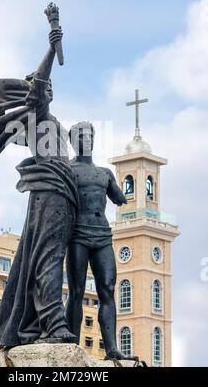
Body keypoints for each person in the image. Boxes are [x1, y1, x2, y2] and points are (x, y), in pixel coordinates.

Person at [0, 27, 78, 349]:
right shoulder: (38, 111)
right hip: (51, 189)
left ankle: (35, 323)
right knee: (48, 256)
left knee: (43, 256)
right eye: (44, 87)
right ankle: (54, 324)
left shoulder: (49, 120)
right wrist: (50, 48)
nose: (48, 90)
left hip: (59, 190)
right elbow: (39, 88)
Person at [66, 121, 137, 360]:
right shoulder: (67, 169)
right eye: (82, 136)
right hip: (78, 234)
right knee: (76, 291)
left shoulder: (104, 173)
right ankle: (72, 345)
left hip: (102, 235)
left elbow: (119, 198)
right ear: (73, 141)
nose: (87, 140)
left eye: (90, 136)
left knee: (107, 290)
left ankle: (112, 348)